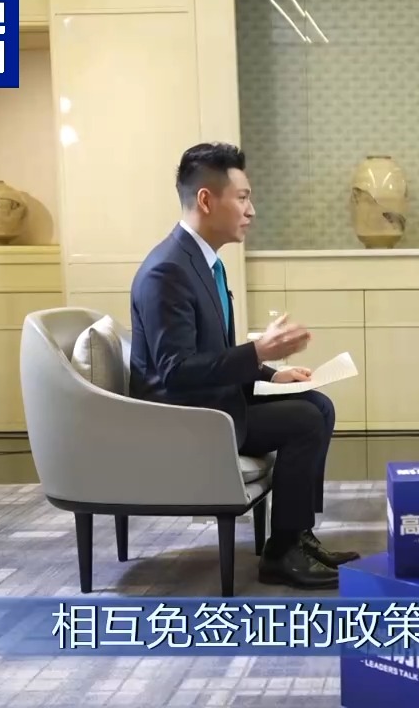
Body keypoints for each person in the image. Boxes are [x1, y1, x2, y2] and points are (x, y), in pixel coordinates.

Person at [129, 141, 359, 590]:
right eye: (243, 197)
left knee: (317, 404)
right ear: (206, 200)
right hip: (185, 419)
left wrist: (272, 374)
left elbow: (209, 354)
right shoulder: (167, 271)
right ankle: (282, 554)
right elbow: (176, 371)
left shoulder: (201, 263)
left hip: (210, 401)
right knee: (306, 419)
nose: (251, 210)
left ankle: (297, 536)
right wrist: (258, 353)